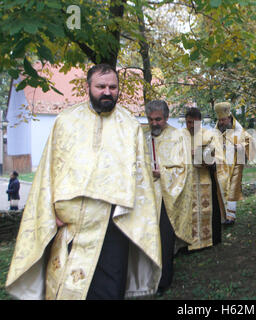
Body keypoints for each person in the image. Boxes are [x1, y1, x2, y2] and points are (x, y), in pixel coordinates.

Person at [6, 64, 162, 300]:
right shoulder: (66, 121)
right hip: (70, 224)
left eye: (113, 87)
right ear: (88, 87)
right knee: (67, 286)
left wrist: (137, 220)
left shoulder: (130, 126)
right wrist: (50, 212)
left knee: (110, 285)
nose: (107, 92)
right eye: (101, 86)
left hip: (113, 223)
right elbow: (49, 172)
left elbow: (141, 181)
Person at [144, 100, 193, 295]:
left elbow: (183, 168)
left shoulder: (177, 137)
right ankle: (145, 276)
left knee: (164, 238)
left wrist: (162, 173)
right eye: (150, 119)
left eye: (158, 119)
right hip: (146, 195)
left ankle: (163, 281)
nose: (154, 123)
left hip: (166, 196)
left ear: (166, 117)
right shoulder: (144, 136)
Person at [184, 108, 227, 250]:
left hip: (206, 179)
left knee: (209, 208)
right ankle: (188, 243)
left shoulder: (209, 135)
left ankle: (210, 240)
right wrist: (186, 154)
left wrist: (210, 161)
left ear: (200, 122)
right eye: (188, 122)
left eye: (194, 123)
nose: (191, 126)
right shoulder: (179, 136)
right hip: (187, 181)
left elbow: (220, 158)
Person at [213, 102, 254, 225]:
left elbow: (249, 141)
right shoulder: (216, 130)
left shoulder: (239, 129)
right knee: (220, 187)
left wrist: (241, 146)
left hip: (235, 164)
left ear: (229, 117)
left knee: (232, 188)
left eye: (223, 120)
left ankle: (230, 216)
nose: (221, 122)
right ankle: (221, 215)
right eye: (219, 120)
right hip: (220, 165)